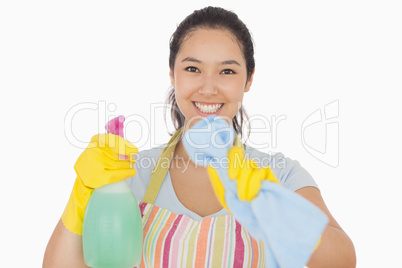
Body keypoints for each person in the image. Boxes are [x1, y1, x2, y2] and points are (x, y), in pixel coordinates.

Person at [43, 6, 356, 267]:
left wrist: (273, 205)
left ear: (249, 80)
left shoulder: (279, 174)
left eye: (227, 71)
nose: (208, 88)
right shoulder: (129, 173)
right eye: (193, 69)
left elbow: (342, 260)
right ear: (172, 74)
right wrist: (82, 195)